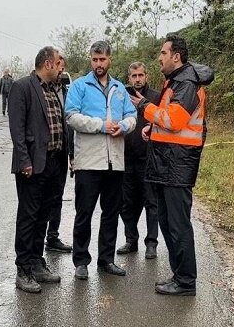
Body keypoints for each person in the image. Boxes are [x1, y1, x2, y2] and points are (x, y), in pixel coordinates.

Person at [130, 34, 214, 296]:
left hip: (177, 166)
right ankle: (179, 275)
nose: (159, 57)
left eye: (163, 53)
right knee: (167, 223)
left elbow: (176, 120)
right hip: (166, 163)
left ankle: (186, 281)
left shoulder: (187, 83)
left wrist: (145, 106)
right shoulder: (175, 81)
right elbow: (167, 121)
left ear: (176, 56)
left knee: (178, 225)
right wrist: (152, 129)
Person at [65, 40, 136, 280]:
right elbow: (71, 116)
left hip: (114, 161)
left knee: (111, 212)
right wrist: (101, 126)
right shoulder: (79, 86)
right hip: (88, 161)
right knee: (84, 212)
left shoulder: (119, 88)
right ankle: (81, 261)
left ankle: (106, 259)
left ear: (110, 59)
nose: (98, 64)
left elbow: (132, 115)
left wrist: (124, 126)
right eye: (94, 60)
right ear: (90, 60)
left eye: (102, 59)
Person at [8, 46, 67, 293]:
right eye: (59, 62)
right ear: (47, 64)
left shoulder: (55, 89)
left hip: (54, 162)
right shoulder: (22, 87)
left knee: (43, 214)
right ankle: (23, 268)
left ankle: (36, 261)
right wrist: (24, 161)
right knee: (28, 216)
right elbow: (17, 129)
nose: (62, 67)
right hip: (33, 164)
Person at [116, 62, 160, 259]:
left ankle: (151, 243)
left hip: (148, 159)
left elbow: (162, 123)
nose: (137, 79)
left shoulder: (156, 97)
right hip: (125, 158)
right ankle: (130, 239)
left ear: (146, 76)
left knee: (152, 202)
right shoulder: (122, 97)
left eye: (140, 75)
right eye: (133, 75)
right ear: (129, 77)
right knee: (126, 203)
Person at [45, 55, 73, 253]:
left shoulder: (65, 91)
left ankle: (52, 236)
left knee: (57, 196)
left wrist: (72, 155)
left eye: (62, 69)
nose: (60, 73)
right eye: (58, 68)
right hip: (44, 155)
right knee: (40, 201)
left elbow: (69, 125)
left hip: (62, 154)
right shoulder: (38, 89)